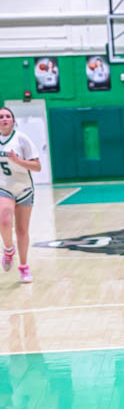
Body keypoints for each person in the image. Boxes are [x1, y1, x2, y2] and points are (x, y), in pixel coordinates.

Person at [0, 106, 41, 283]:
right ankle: (9, 250)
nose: (4, 119)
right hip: (4, 187)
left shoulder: (21, 139)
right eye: (1, 116)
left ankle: (24, 267)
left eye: (7, 116)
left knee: (22, 231)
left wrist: (18, 161)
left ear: (13, 120)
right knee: (4, 220)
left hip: (24, 189)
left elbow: (37, 167)